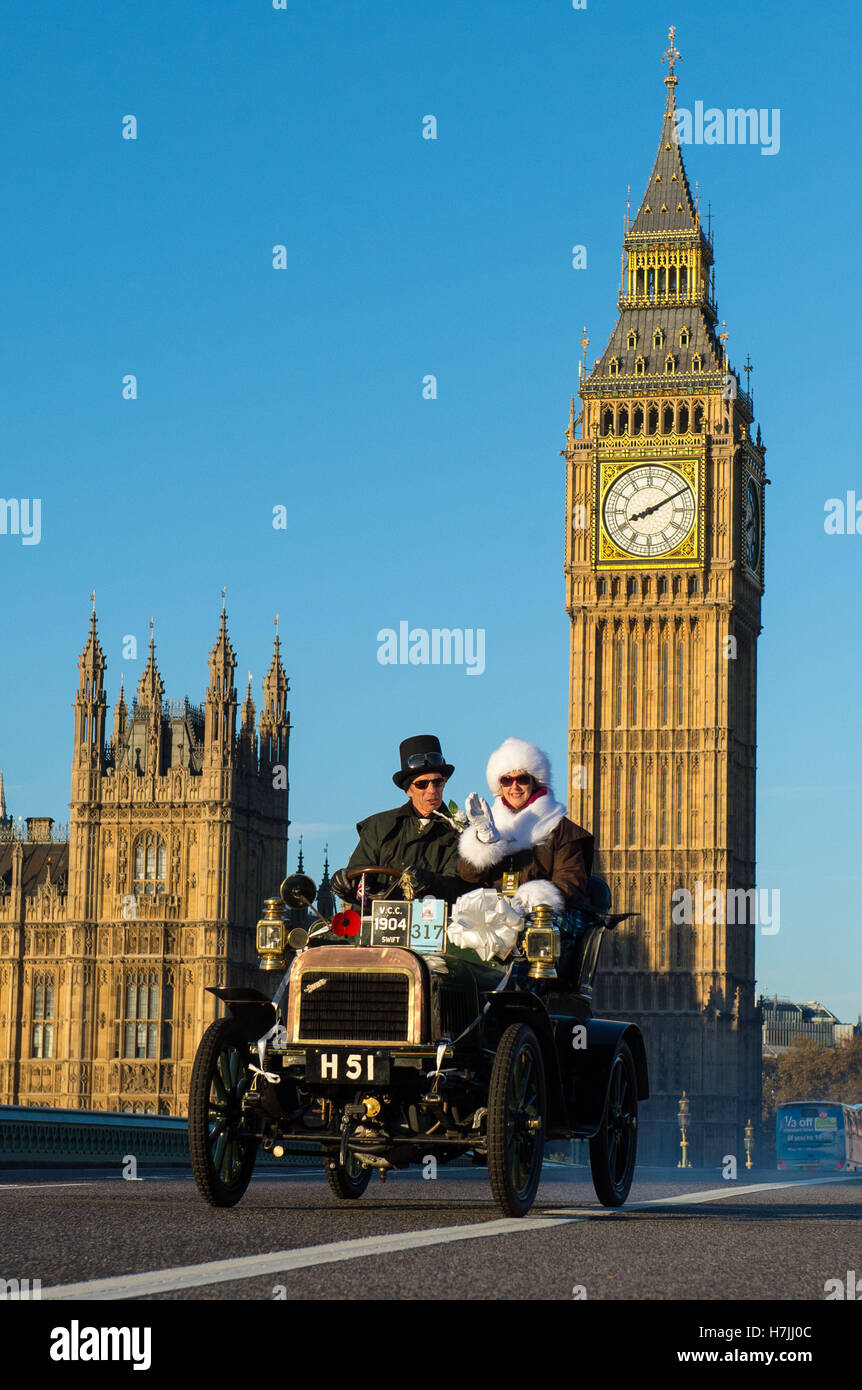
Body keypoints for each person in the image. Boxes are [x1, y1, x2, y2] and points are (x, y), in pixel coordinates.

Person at [456, 736, 594, 913]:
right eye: (507, 780)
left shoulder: (560, 828)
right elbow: (468, 876)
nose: (514, 787)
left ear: (534, 781)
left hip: (542, 916)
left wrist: (531, 901)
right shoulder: (489, 822)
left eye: (522, 779)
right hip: (495, 914)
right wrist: (484, 842)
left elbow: (570, 882)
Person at [330, 735, 469, 907]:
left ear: (444, 783)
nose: (432, 790)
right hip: (377, 927)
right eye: (422, 784)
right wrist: (344, 882)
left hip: (432, 926)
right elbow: (358, 879)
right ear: (408, 790)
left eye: (437, 782)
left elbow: (461, 888)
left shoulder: (461, 832)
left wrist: (429, 881)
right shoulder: (378, 827)